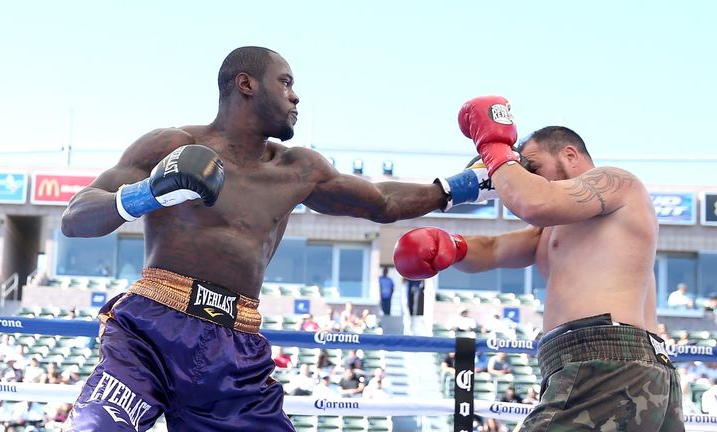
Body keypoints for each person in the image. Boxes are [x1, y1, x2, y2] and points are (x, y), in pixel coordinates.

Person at [59, 46, 495, 431]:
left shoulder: (298, 169)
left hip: (235, 348)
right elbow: (76, 216)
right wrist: (149, 192)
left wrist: (461, 185)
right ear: (246, 84)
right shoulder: (172, 144)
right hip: (151, 331)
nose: (296, 95)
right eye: (285, 82)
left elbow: (381, 201)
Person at [394, 96, 684, 431]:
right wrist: (448, 247)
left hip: (606, 360)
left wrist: (495, 147)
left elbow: (534, 200)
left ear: (570, 155)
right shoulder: (552, 230)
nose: (527, 175)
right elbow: (492, 249)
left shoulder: (617, 183)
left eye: (532, 166)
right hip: (613, 366)